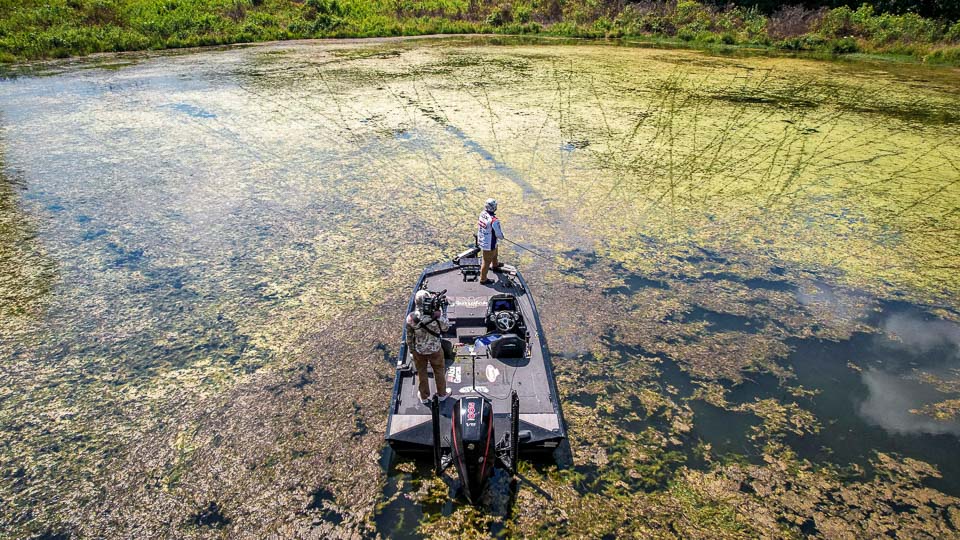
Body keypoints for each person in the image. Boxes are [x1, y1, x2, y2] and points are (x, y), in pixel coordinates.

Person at [405, 290, 451, 404]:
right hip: (435, 349)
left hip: (419, 351)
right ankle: (442, 394)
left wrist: (411, 350)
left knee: (421, 372)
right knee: (439, 371)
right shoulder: (435, 316)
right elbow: (446, 328)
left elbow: (409, 337)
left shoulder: (411, 318)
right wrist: (443, 314)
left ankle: (424, 396)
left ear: (416, 302)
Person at [476, 198, 504, 285]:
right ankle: (483, 279)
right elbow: (499, 235)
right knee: (486, 261)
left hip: (482, 239)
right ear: (494, 207)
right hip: (489, 243)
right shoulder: (494, 221)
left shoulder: (482, 214)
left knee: (495, 251)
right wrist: (502, 236)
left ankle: (495, 265)